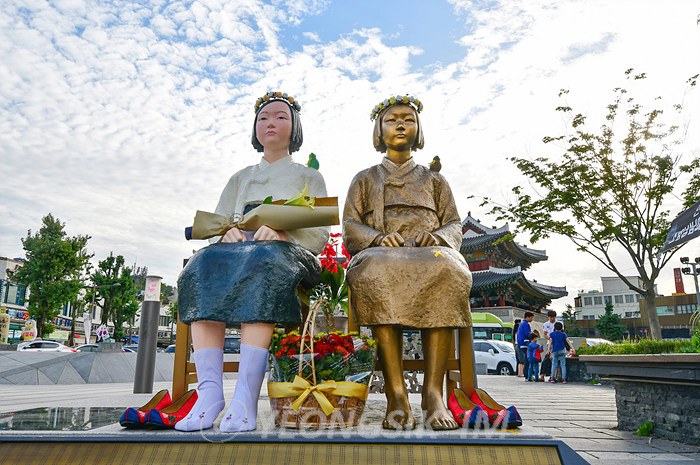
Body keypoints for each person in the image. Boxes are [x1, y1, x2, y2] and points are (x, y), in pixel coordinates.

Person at [176, 92, 329, 432]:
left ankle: (245, 395)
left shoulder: (309, 177)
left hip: (288, 256)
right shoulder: (240, 178)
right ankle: (210, 392)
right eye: (263, 118)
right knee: (200, 266)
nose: (270, 123)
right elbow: (219, 221)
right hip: (237, 253)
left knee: (264, 264)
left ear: (295, 126)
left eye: (280, 117)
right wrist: (226, 232)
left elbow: (319, 232)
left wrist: (285, 235)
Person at [343, 95, 474, 430]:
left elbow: (454, 222)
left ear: (419, 129)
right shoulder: (365, 178)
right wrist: (376, 238)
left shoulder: (435, 180)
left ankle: (432, 393)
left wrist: (440, 237)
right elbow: (350, 225)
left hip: (429, 255)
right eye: (392, 119)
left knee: (448, 268)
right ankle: (396, 393)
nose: (401, 124)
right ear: (378, 130)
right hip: (382, 254)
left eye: (408, 119)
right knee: (375, 270)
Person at [515, 312, 534, 381]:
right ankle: (527, 375)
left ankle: (527, 375)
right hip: (525, 344)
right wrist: (533, 337)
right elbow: (527, 334)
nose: (532, 319)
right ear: (527, 317)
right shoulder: (525, 324)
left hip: (521, 344)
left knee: (525, 360)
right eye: (531, 317)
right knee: (527, 360)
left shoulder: (522, 324)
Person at [541, 310, 557, 381]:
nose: (552, 319)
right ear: (548, 317)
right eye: (550, 317)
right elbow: (544, 334)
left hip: (557, 344)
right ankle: (542, 375)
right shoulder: (546, 324)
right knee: (546, 359)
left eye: (553, 317)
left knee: (554, 360)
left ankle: (552, 376)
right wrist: (550, 339)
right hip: (549, 344)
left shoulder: (558, 323)